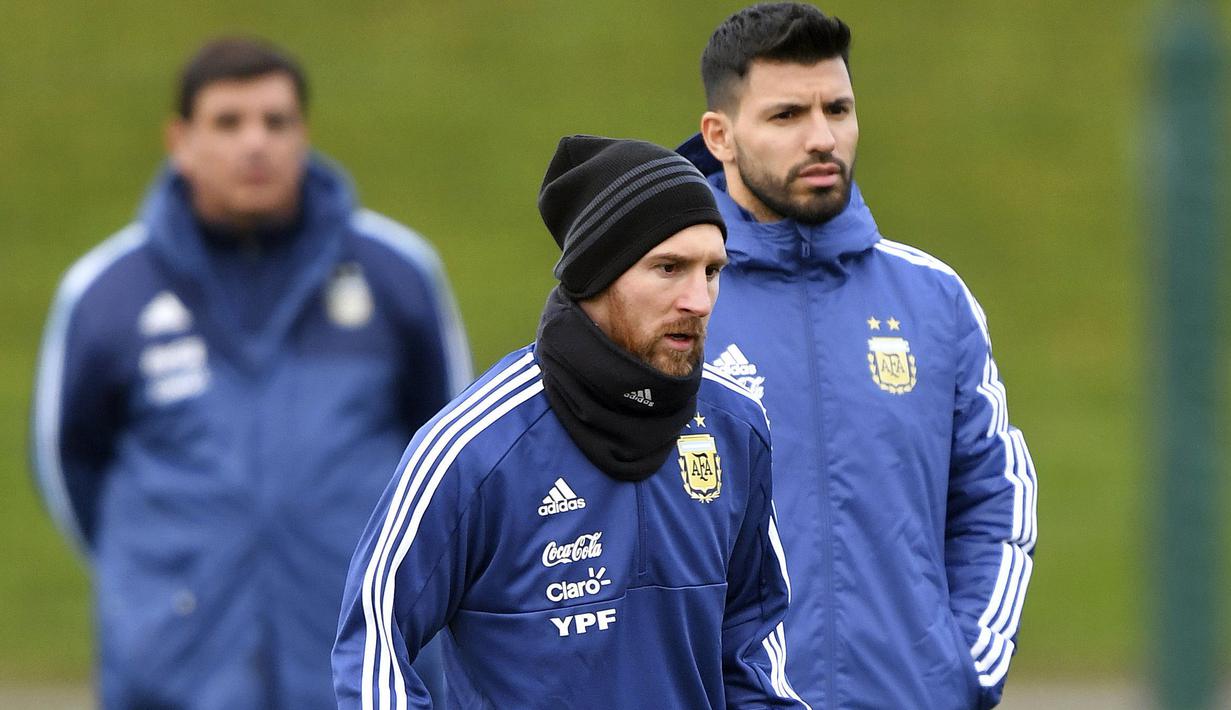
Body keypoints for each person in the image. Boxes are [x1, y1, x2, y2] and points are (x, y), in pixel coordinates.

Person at [30, 37, 470, 709]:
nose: (254, 143)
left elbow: (446, 465)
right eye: (228, 123)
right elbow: (70, 470)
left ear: (304, 133)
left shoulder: (396, 273)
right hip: (176, 671)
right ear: (180, 140)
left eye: (275, 121)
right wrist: (163, 579)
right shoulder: (106, 292)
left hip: (357, 667)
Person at [333, 135, 808, 709]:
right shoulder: (476, 447)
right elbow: (374, 645)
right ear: (596, 276)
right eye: (669, 268)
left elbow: (750, 653)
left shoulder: (736, 428)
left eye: (711, 270)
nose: (699, 299)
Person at [677, 4, 1038, 709]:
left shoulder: (933, 298)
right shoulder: (672, 302)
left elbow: (996, 498)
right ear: (719, 136)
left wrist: (963, 670)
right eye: (786, 116)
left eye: (837, 109)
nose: (822, 138)